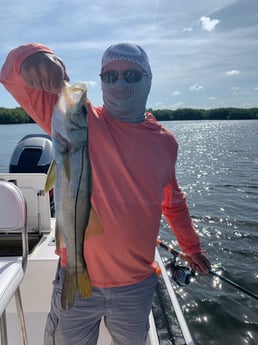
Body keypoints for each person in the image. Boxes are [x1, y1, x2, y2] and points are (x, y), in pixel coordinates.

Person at [0, 42, 211, 345]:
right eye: (110, 77)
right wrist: (32, 57)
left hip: (136, 287)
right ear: (100, 81)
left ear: (148, 80)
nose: (120, 82)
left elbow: (173, 204)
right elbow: (10, 76)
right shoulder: (79, 117)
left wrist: (193, 247)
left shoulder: (166, 143)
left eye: (131, 75)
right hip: (74, 277)